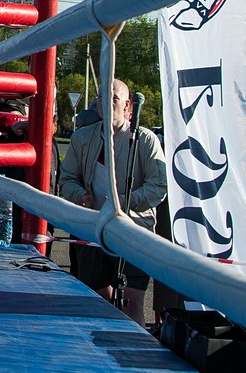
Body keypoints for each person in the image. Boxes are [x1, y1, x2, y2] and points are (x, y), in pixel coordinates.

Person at [58, 79, 166, 324]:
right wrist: (79, 195)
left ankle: (133, 353)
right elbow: (66, 180)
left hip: (135, 230)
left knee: (132, 301)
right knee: (97, 299)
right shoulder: (82, 138)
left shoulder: (145, 139)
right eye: (101, 97)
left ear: (128, 105)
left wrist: (125, 203)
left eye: (113, 98)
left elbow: (158, 187)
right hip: (94, 228)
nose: (106, 103)